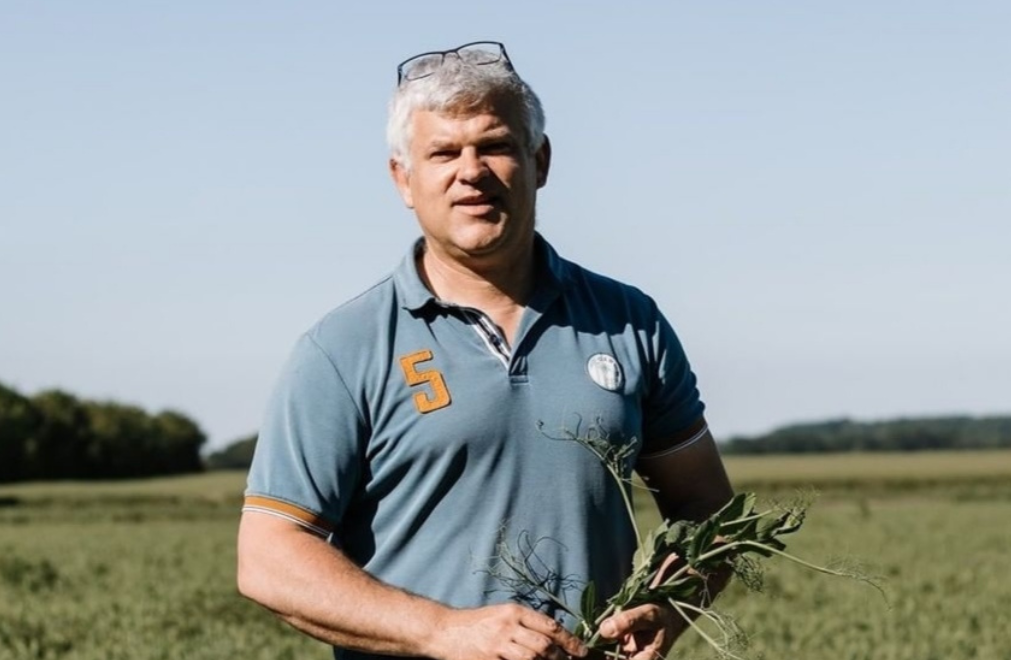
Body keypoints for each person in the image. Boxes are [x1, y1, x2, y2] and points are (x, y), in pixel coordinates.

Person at [237, 41, 735, 660]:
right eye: (442, 152)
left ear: (540, 160)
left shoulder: (627, 321)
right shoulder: (343, 349)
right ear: (403, 179)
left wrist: (667, 605)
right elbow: (269, 557)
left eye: (494, 145)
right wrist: (441, 631)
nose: (470, 172)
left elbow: (709, 510)